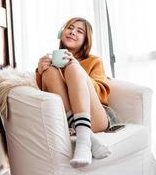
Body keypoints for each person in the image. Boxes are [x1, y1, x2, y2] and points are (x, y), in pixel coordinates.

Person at [36, 17, 111, 168]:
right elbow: (44, 95)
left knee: (72, 67)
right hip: (67, 121)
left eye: (79, 31)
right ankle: (87, 138)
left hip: (96, 118)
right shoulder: (51, 61)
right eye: (70, 28)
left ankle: (83, 142)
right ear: (61, 32)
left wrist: (78, 70)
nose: (72, 32)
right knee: (50, 71)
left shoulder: (94, 61)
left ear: (86, 40)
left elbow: (102, 92)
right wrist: (40, 71)